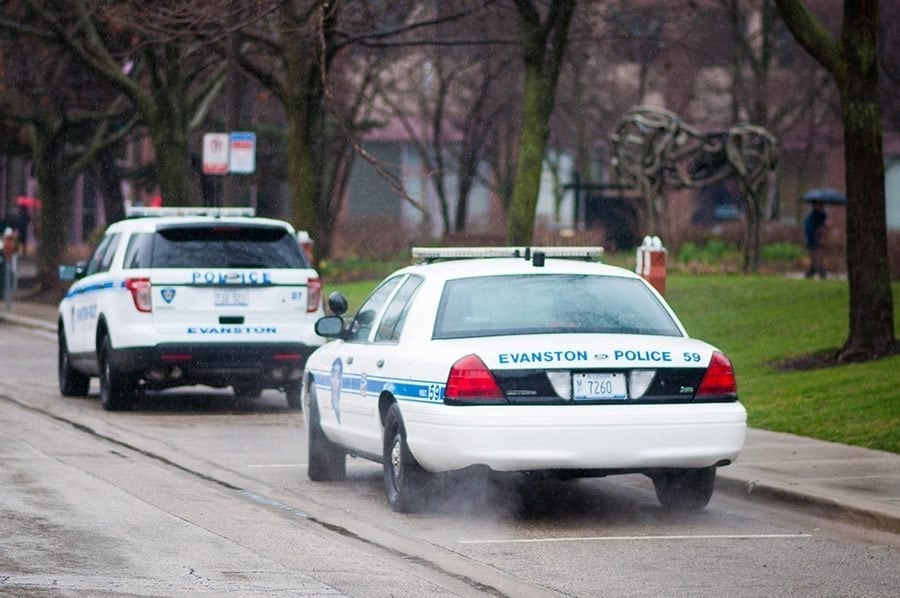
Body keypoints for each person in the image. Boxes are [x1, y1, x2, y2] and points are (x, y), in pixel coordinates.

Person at [804, 201, 828, 279]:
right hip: (813, 241)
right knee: (817, 258)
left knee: (816, 258)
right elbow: (810, 230)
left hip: (818, 241)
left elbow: (823, 226)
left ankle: (810, 273)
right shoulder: (811, 217)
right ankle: (821, 273)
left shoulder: (822, 216)